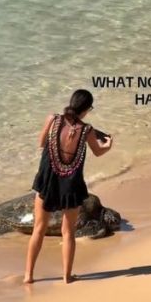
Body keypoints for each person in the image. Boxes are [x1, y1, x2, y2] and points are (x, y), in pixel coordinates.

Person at [24, 89, 113, 284]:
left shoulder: (53, 119)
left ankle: (28, 276)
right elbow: (98, 152)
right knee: (68, 232)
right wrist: (108, 145)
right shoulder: (87, 130)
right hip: (71, 184)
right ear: (86, 109)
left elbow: (41, 143)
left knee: (39, 228)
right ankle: (67, 276)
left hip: (47, 180)